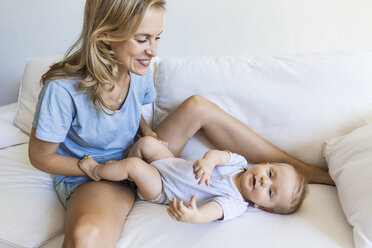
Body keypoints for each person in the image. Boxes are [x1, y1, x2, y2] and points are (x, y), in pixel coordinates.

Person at [28, 0, 333, 247]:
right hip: (99, 172)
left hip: (144, 155)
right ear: (106, 35)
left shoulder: (136, 69)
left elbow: (135, 116)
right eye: (143, 39)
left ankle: (301, 170)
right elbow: (40, 157)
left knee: (198, 106)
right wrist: (91, 168)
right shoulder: (62, 90)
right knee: (87, 237)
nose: (154, 51)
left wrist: (149, 135)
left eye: (157, 38)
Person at [79, 136, 308, 223]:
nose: (264, 183)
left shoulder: (235, 202)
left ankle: (97, 171)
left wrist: (195, 215)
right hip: (170, 163)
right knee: (147, 143)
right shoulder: (239, 163)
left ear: (261, 207)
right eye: (270, 175)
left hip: (161, 187)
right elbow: (217, 154)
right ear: (264, 165)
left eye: (270, 192)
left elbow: (212, 213)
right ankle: (124, 178)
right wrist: (209, 162)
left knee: (134, 166)